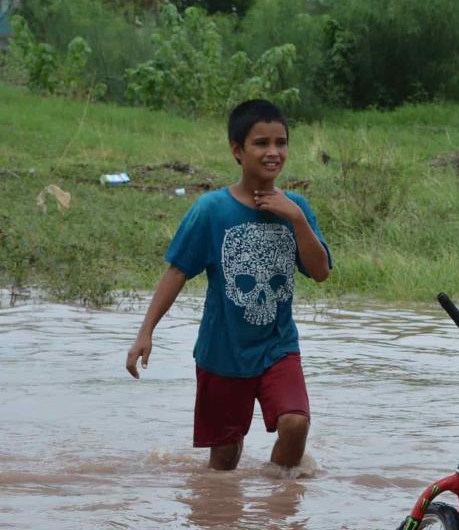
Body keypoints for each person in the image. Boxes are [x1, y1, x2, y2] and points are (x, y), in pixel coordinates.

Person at [125, 99, 332, 471]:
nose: (273, 152)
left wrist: (297, 219)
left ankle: (277, 503)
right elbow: (176, 272)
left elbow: (320, 272)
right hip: (222, 353)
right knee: (224, 459)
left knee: (295, 424)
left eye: (281, 142)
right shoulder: (211, 210)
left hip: (277, 345)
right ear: (237, 150)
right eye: (261, 143)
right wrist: (146, 332)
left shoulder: (296, 208)